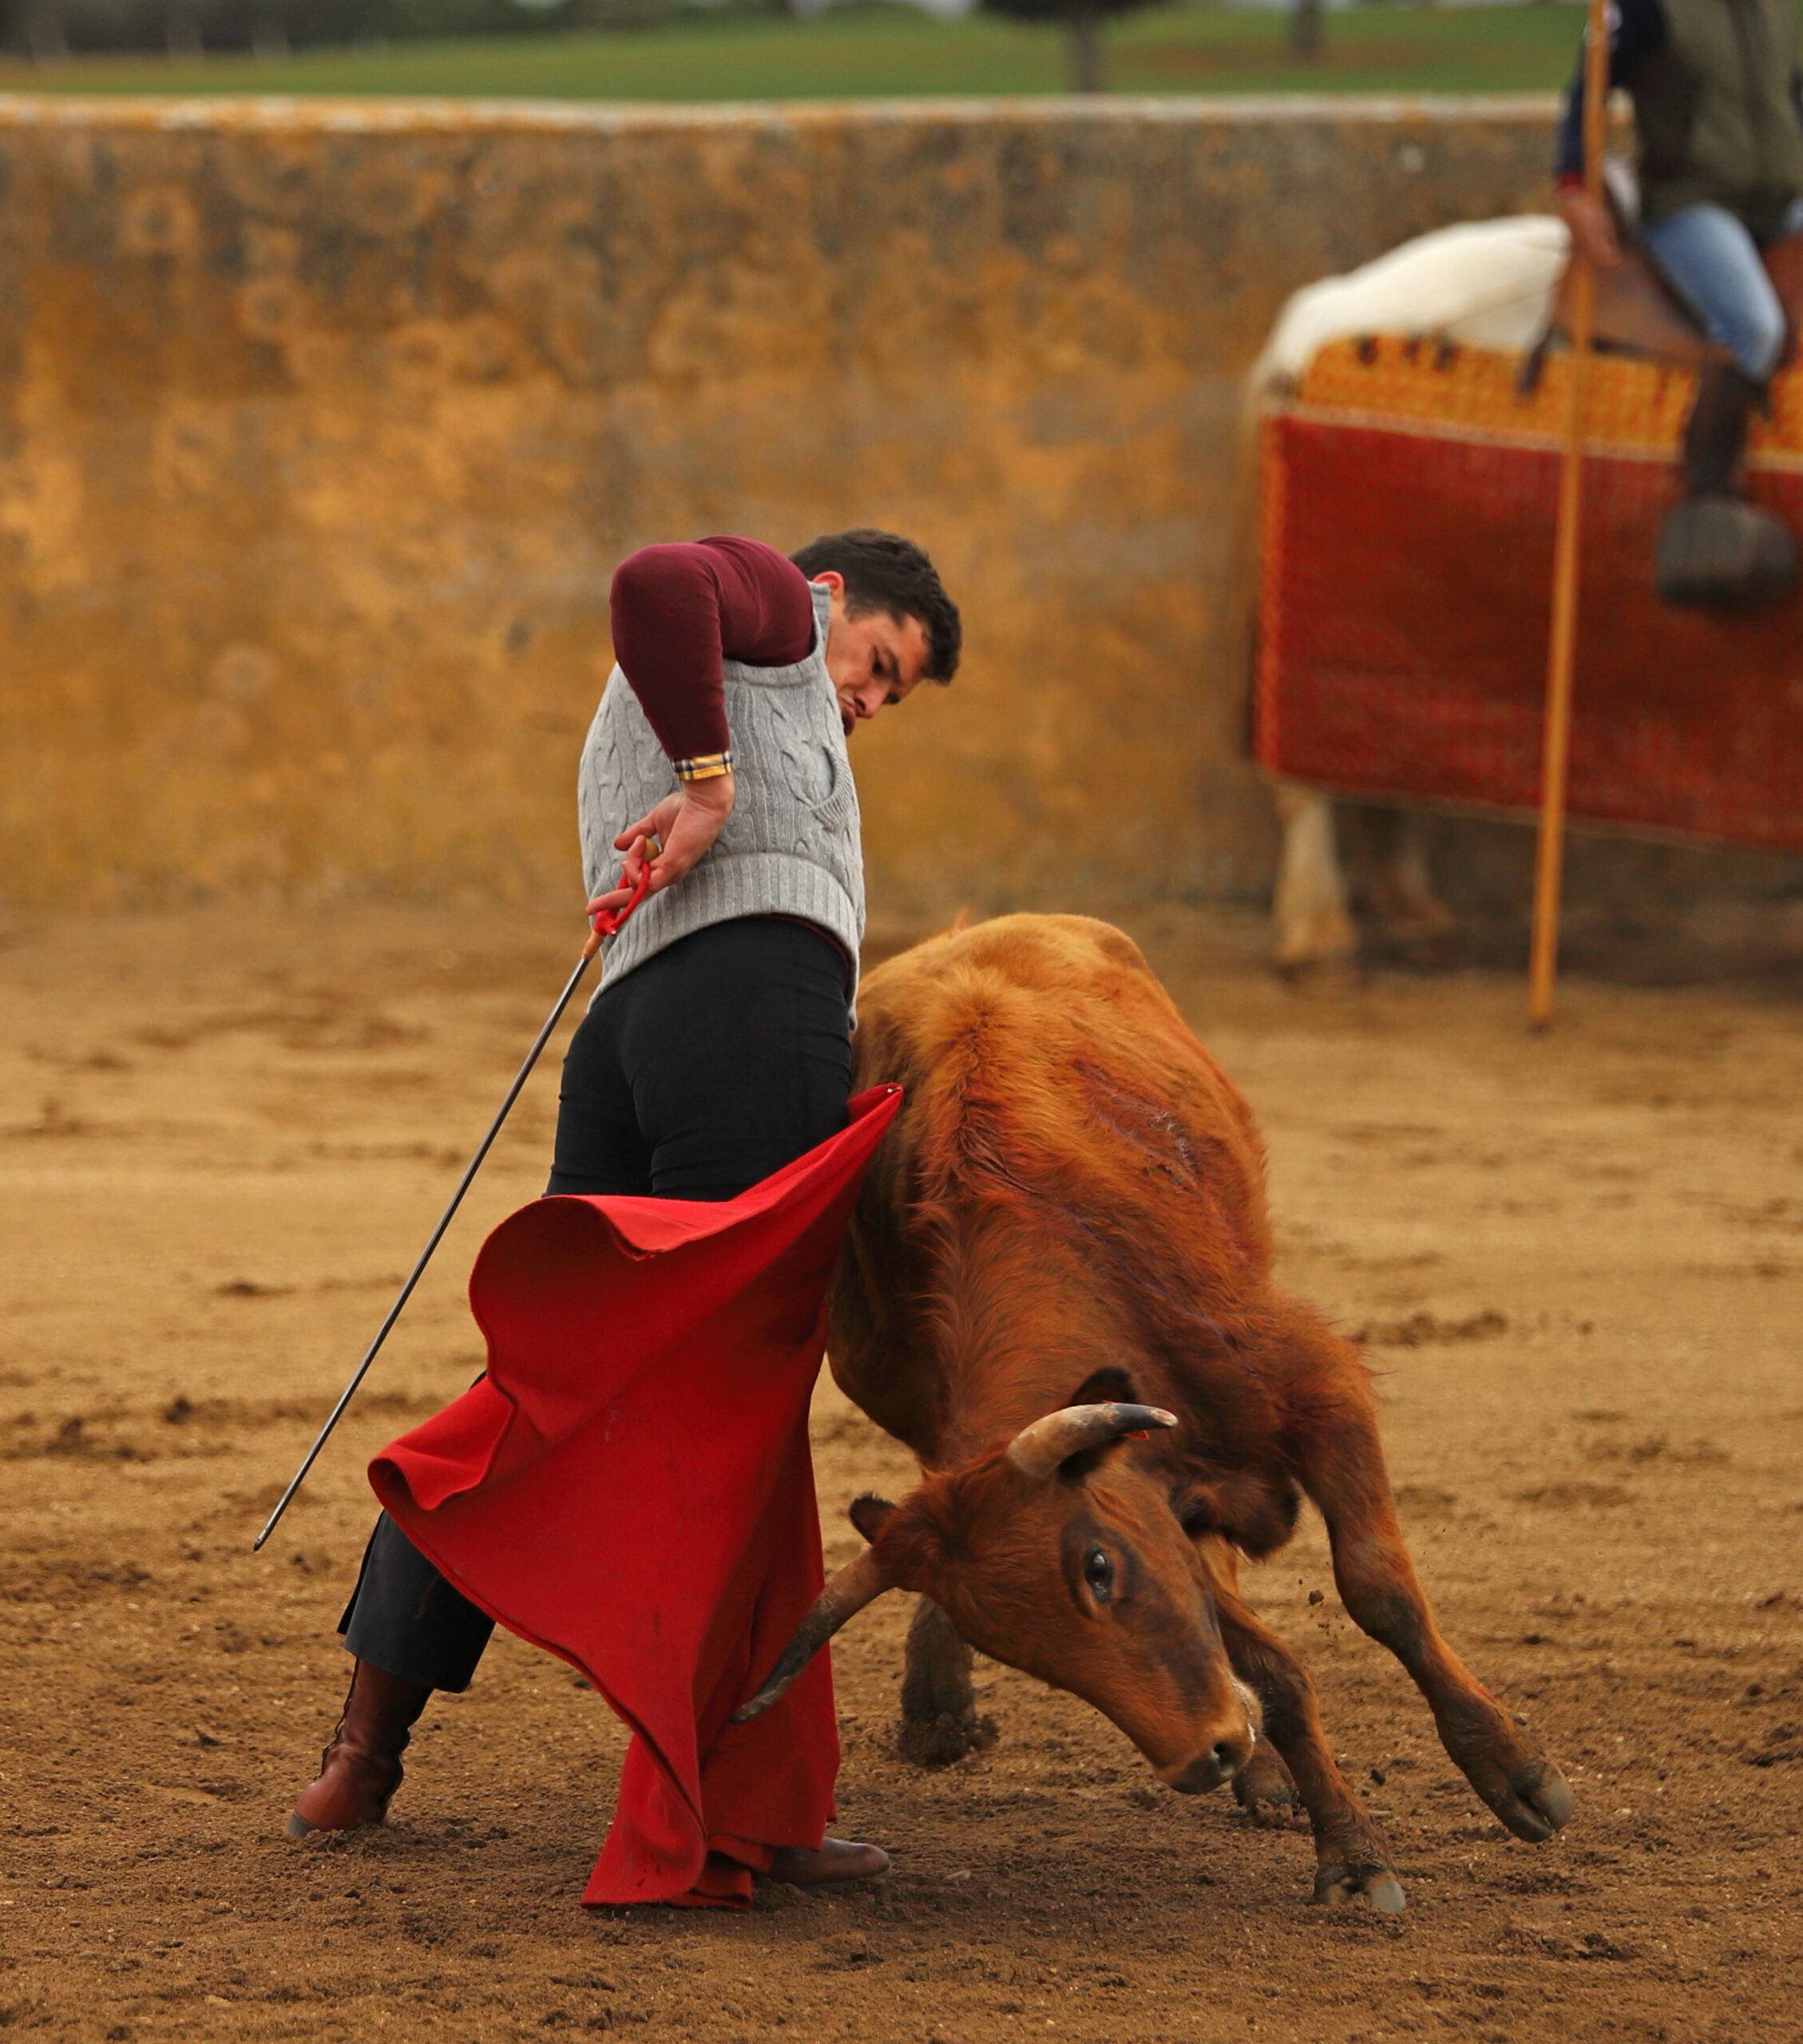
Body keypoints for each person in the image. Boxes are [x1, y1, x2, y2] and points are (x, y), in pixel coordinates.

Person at [284, 529, 961, 1885]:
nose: (871, 702)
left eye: (893, 699)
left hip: (631, 1032)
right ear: (829, 601)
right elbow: (660, 572)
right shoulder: (772, 610)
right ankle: (725, 1808)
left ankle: (363, 1756)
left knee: (551, 1386)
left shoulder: (695, 688)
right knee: (732, 1402)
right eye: (880, 663)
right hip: (745, 1023)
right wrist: (711, 789)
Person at [1555, 0, 1803, 603]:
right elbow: (1587, 90)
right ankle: (1707, 498)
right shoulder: (1649, 7)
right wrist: (1571, 187)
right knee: (1756, 327)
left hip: (1779, 198)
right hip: (1690, 203)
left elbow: (1791, 94)